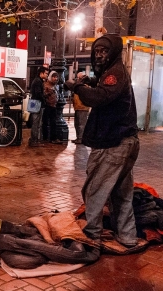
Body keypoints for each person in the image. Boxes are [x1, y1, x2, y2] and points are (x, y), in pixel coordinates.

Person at [65, 34, 139, 248]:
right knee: (121, 193)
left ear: (113, 52)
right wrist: (90, 81)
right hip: (125, 142)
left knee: (94, 190)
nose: (99, 55)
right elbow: (104, 89)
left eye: (104, 51)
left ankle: (92, 235)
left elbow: (99, 97)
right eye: (97, 51)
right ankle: (127, 236)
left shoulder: (115, 73)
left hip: (113, 145)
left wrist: (77, 87)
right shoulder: (113, 72)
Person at [29, 66, 49, 147]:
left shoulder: (37, 80)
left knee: (36, 122)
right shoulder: (38, 81)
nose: (47, 75)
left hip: (34, 103)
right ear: (41, 73)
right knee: (36, 123)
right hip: (36, 103)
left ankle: (34, 140)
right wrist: (44, 98)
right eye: (46, 73)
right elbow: (38, 94)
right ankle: (34, 140)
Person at [42, 71, 63, 144]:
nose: (56, 78)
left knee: (53, 122)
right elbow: (44, 95)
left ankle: (53, 138)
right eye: (54, 77)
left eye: (56, 77)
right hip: (47, 106)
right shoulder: (46, 84)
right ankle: (45, 137)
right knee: (45, 122)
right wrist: (50, 93)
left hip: (54, 106)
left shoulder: (56, 85)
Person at [71, 72, 90, 144]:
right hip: (77, 107)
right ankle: (78, 137)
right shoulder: (79, 86)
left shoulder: (85, 87)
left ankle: (81, 138)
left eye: (79, 78)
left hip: (83, 107)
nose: (78, 79)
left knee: (81, 124)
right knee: (77, 123)